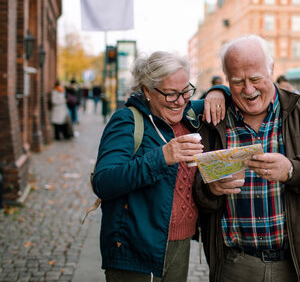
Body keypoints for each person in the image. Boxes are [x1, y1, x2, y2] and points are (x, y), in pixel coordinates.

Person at [193, 35, 300, 282]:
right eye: (237, 82)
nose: (248, 89)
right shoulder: (214, 120)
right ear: (226, 80)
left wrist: (293, 170)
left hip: (298, 265)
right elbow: (193, 188)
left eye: (256, 79)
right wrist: (211, 189)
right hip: (235, 265)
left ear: (272, 69)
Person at [92, 51, 223, 282]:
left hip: (180, 244)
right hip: (135, 248)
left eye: (185, 91)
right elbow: (104, 181)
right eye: (171, 94)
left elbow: (234, 96)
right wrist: (162, 157)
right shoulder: (127, 120)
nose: (181, 101)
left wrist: (217, 91)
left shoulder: (189, 115)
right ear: (146, 91)